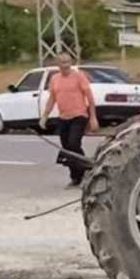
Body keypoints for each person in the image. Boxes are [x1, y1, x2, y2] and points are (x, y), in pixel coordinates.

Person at [39, 53, 98, 188]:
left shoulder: (79, 76)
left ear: (71, 63)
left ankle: (86, 168)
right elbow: (52, 99)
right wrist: (44, 116)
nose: (66, 65)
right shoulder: (54, 79)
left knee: (73, 144)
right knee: (67, 150)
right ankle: (76, 177)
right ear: (58, 64)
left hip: (79, 116)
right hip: (63, 118)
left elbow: (90, 98)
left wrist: (93, 118)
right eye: (63, 62)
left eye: (68, 62)